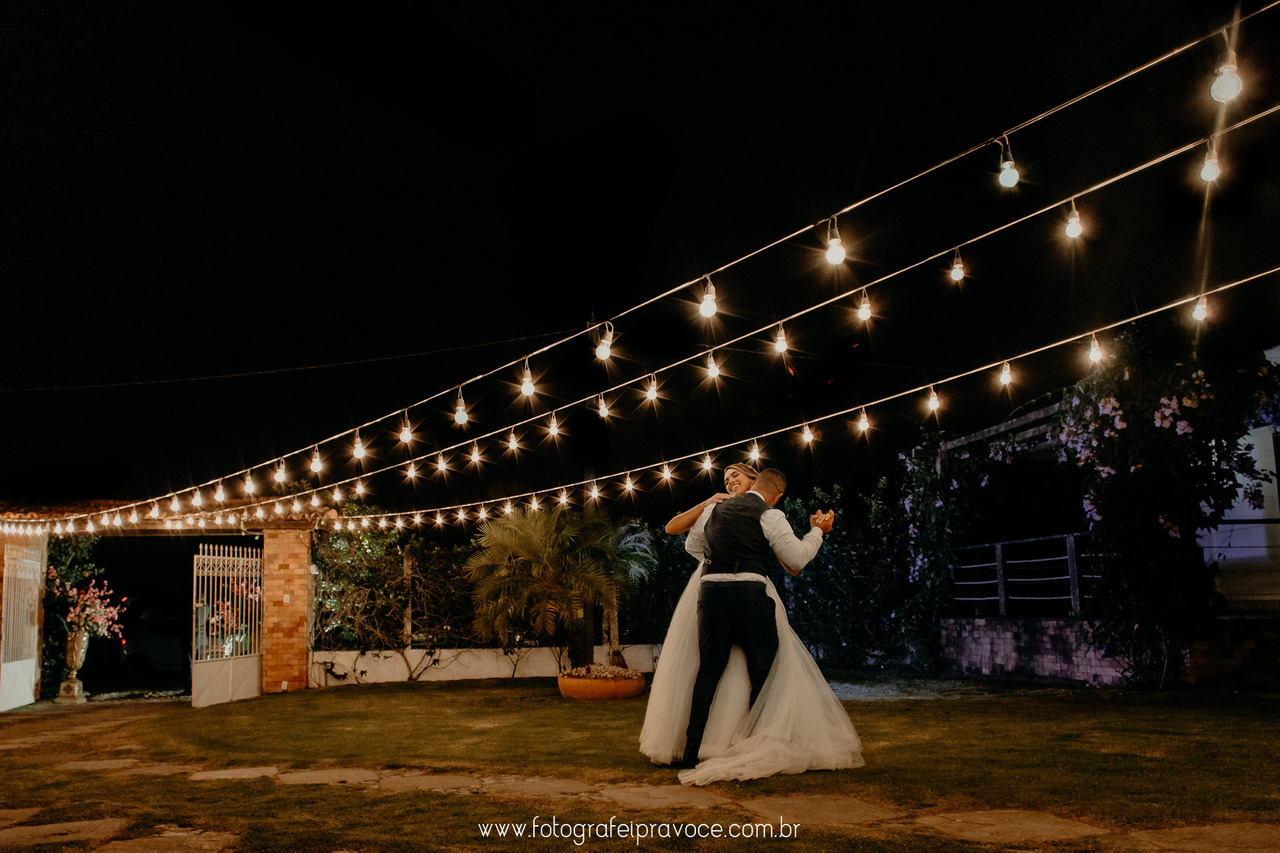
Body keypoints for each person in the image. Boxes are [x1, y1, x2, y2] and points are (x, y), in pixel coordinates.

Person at [639, 467, 863, 786]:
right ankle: (754, 744)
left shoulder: (712, 511)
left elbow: (693, 548)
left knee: (707, 672)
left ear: (752, 481)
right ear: (778, 495)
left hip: (711, 594)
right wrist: (817, 532)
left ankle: (691, 753)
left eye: (736, 476)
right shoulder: (769, 515)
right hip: (750, 594)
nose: (730, 481)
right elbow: (796, 560)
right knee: (763, 671)